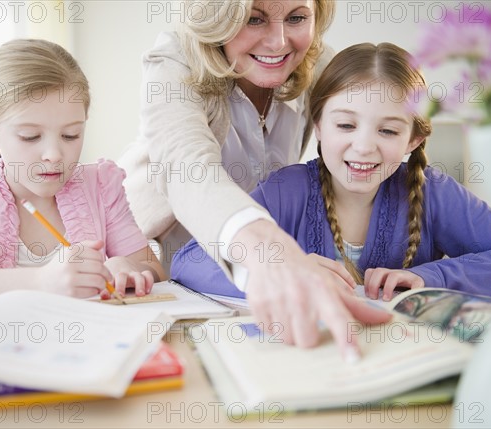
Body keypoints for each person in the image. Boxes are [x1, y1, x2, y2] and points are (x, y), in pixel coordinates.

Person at [120, 0, 391, 359]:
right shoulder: (175, 59)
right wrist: (268, 254)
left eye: (297, 17)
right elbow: (188, 170)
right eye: (254, 19)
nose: (278, 42)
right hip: (153, 265)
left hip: (248, 278)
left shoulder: (320, 63)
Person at [172, 43, 491, 303]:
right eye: (346, 124)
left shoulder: (433, 192)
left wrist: (433, 276)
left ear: (414, 139)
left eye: (388, 131)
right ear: (318, 125)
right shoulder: (286, 191)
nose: (364, 147)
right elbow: (188, 262)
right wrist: (285, 273)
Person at [0, 39, 166, 300]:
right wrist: (39, 281)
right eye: (30, 136)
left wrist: (129, 269)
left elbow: (155, 270)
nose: (54, 155)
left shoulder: (100, 187)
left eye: (71, 135)